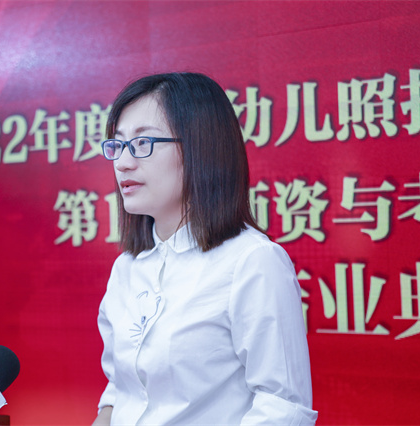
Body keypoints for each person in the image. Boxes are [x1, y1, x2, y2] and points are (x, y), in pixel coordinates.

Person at [92, 72, 317, 425]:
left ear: (201, 147)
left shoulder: (252, 262)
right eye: (117, 145)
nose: (122, 162)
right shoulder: (127, 268)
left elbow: (282, 407)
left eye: (142, 143)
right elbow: (120, 390)